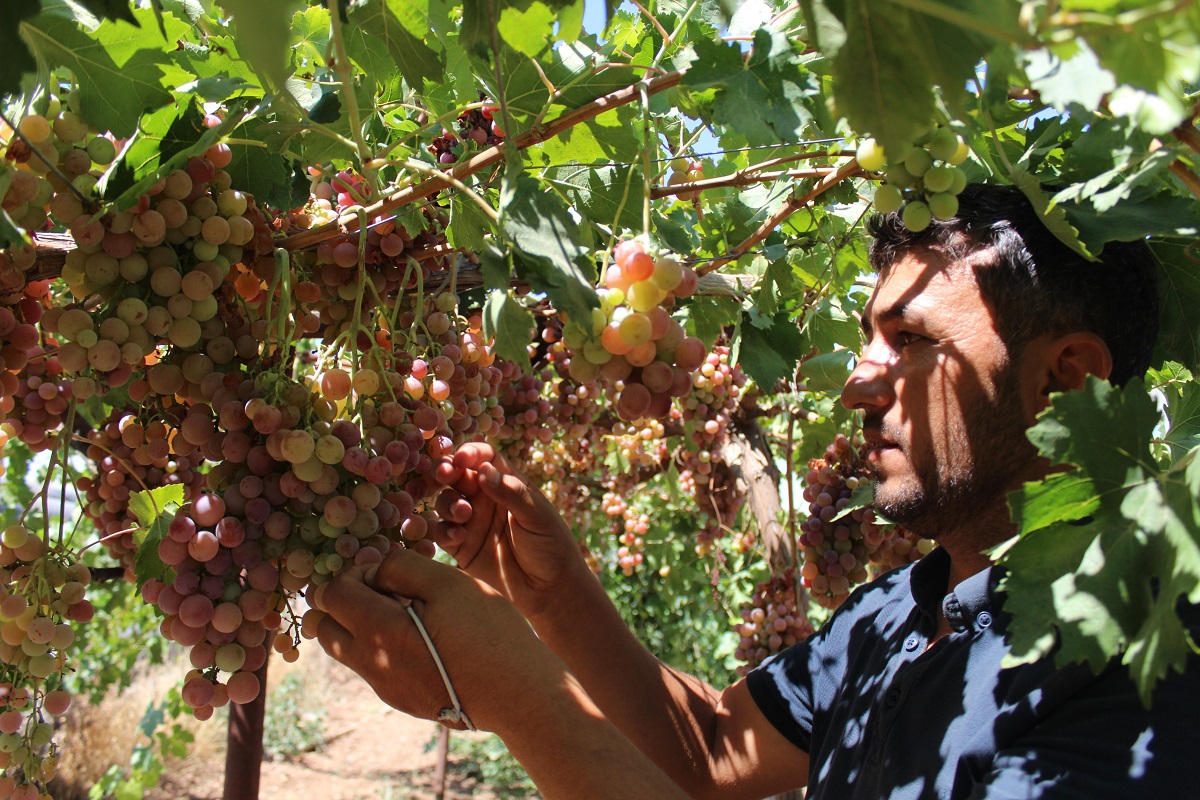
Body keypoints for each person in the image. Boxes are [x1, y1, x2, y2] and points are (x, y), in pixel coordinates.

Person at [312, 184, 1200, 799]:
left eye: (912, 338)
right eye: (866, 336)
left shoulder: (1147, 676)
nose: (857, 382)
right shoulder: (900, 609)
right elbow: (709, 754)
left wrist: (519, 698)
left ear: (1070, 379)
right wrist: (553, 596)